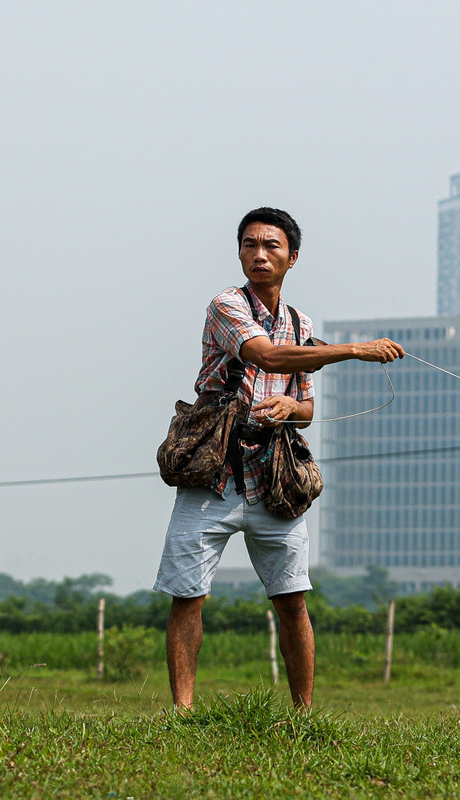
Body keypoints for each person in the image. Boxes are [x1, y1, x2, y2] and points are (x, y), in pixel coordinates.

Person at [153, 207, 405, 710]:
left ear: (292, 257)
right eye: (250, 244)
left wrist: (292, 405)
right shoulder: (227, 305)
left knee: (293, 601)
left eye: (272, 246)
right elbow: (266, 356)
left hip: (274, 478)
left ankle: (302, 715)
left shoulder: (300, 322)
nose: (259, 255)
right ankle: (182, 713)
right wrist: (354, 350)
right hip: (213, 475)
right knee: (188, 597)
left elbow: (307, 409)